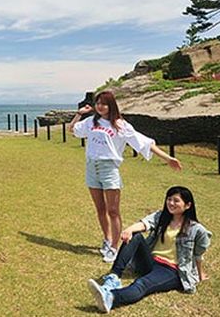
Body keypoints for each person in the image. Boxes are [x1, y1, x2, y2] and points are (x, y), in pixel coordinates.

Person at [69, 91, 181, 262]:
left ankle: (114, 247)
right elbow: (72, 130)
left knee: (113, 210)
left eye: (104, 103)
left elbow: (143, 142)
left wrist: (167, 158)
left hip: (109, 169)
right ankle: (107, 240)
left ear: (111, 105)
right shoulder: (91, 121)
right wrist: (79, 114)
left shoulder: (120, 125)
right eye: (98, 103)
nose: (100, 106)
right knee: (100, 208)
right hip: (91, 167)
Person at [86, 186, 212, 313]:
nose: (171, 203)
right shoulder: (161, 216)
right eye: (169, 199)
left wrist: (200, 274)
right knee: (135, 235)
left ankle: (111, 298)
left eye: (176, 200)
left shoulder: (197, 230)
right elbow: (145, 223)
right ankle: (114, 277)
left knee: (142, 283)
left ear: (188, 205)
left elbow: (198, 254)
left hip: (171, 270)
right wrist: (129, 229)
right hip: (151, 261)